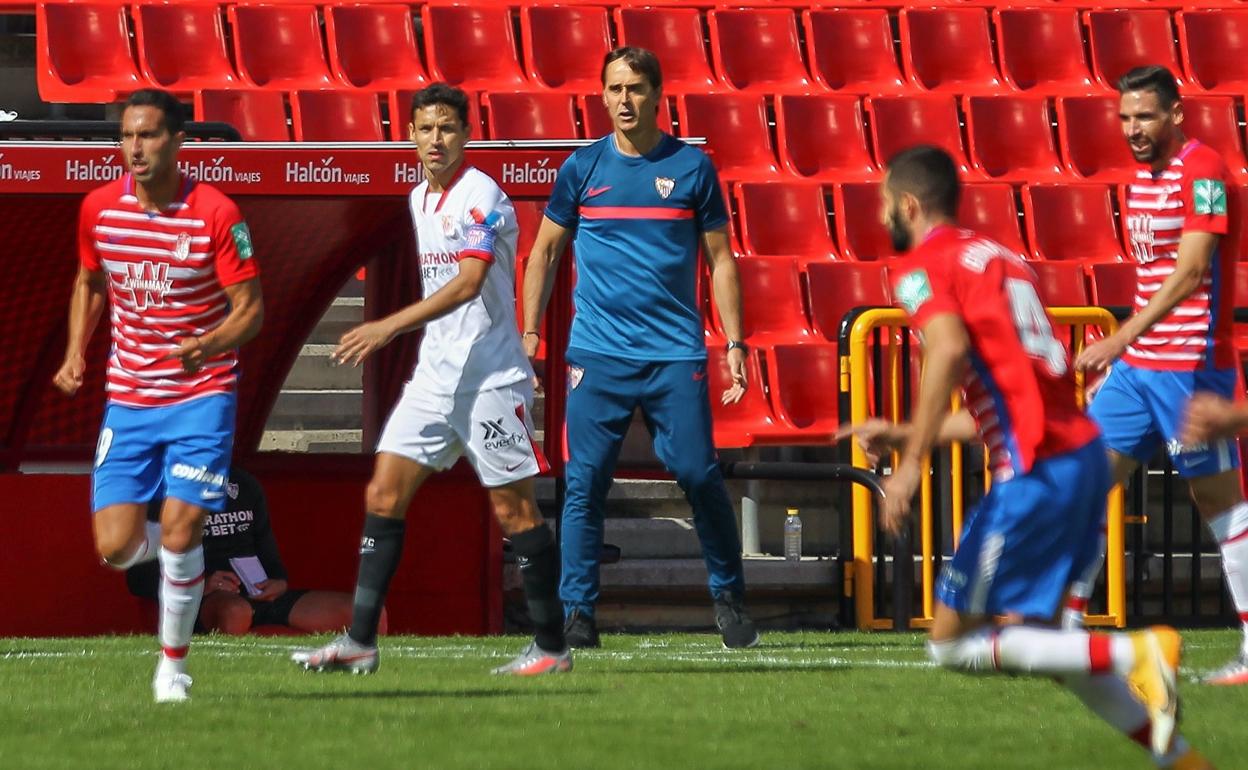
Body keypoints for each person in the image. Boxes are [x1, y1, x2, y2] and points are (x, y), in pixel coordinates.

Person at [839, 145, 1211, 768]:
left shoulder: (920, 266)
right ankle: (1180, 759)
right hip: (1081, 455)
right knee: (1046, 645)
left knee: (950, 644)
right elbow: (1003, 398)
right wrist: (907, 432)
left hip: (1034, 469)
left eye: (883, 204)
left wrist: (909, 467)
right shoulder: (1002, 258)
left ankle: (1136, 651)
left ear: (907, 204)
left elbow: (947, 350)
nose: (881, 216)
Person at [291, 83, 569, 677]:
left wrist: (388, 325)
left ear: (466, 134)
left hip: (490, 380)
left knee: (515, 513)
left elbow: (469, 282)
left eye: (446, 127)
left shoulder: (482, 196)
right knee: (383, 494)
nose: (435, 139)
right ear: (411, 136)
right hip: (433, 380)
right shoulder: (418, 197)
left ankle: (551, 648)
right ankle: (360, 641)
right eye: (425, 128)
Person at [522, 47, 757, 650]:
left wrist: (735, 341)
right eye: (614, 89)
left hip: (673, 353)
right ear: (601, 96)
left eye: (635, 88)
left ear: (657, 95)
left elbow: (721, 260)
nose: (624, 100)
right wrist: (530, 334)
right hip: (597, 354)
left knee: (698, 474)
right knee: (584, 483)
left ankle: (729, 597)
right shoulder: (581, 168)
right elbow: (543, 252)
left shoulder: (691, 168)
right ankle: (578, 614)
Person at [53, 88, 264, 702]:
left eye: (147, 135)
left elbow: (250, 311)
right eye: (126, 136)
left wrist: (207, 344)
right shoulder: (99, 209)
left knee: (179, 530)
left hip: (202, 393)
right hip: (130, 398)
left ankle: (173, 666)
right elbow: (89, 281)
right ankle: (180, 544)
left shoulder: (217, 213)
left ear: (177, 141)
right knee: (116, 548)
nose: (135, 148)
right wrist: (74, 352)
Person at [1066, 65, 1248, 688]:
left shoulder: (1205, 172)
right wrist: (1126, 357)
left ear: (1176, 114)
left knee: (1219, 503)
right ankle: (1063, 629)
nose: (1133, 129)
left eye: (1144, 116)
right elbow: (1153, 278)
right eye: (1124, 117)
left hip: (1190, 366)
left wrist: (1119, 336)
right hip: (1140, 368)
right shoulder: (1141, 179)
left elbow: (1192, 272)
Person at [126, 467, 357, 635]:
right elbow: (138, 578)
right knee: (236, 612)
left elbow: (270, 558)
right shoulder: (160, 492)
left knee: (361, 612)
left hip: (259, 593)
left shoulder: (244, 484)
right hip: (204, 600)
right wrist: (201, 584)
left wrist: (278, 582)